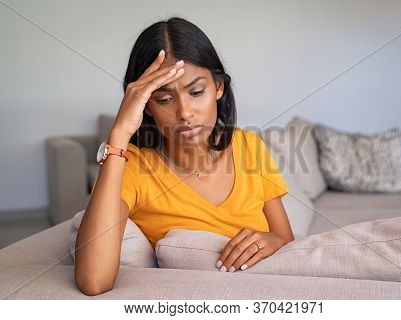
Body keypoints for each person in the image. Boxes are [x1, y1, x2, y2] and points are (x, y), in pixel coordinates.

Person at [74, 17, 294, 296]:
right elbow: (93, 280)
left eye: (196, 92)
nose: (185, 113)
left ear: (219, 88)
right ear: (146, 106)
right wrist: (119, 134)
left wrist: (272, 241)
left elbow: (287, 241)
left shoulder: (248, 145)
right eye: (164, 100)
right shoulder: (131, 167)